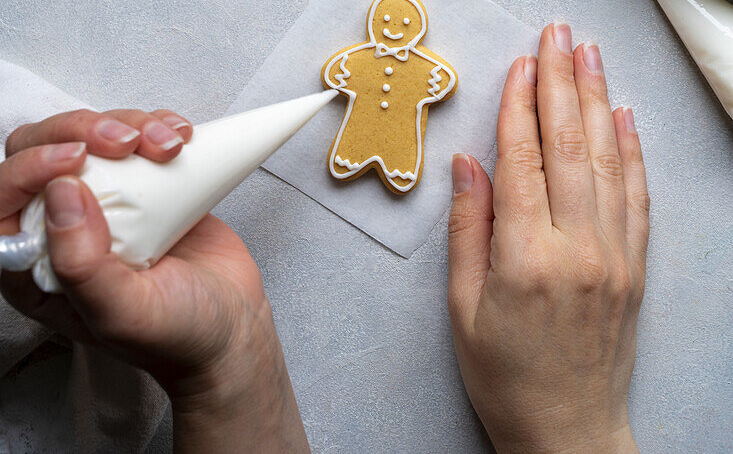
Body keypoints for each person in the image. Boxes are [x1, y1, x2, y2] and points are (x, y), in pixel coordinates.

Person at [0, 23, 649, 453]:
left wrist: (231, 363)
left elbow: (422, 79)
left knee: (389, 145)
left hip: (393, 132)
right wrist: (574, 432)